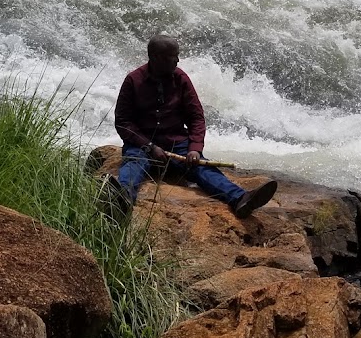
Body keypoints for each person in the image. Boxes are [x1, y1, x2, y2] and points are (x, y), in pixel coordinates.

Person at [113, 34, 277, 217]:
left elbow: (196, 117)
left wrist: (195, 148)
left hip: (176, 143)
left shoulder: (181, 78)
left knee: (201, 167)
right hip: (142, 144)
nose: (177, 60)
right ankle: (122, 200)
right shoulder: (133, 80)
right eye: (173, 56)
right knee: (134, 163)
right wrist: (150, 146)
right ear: (156, 57)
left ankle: (240, 199)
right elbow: (123, 122)